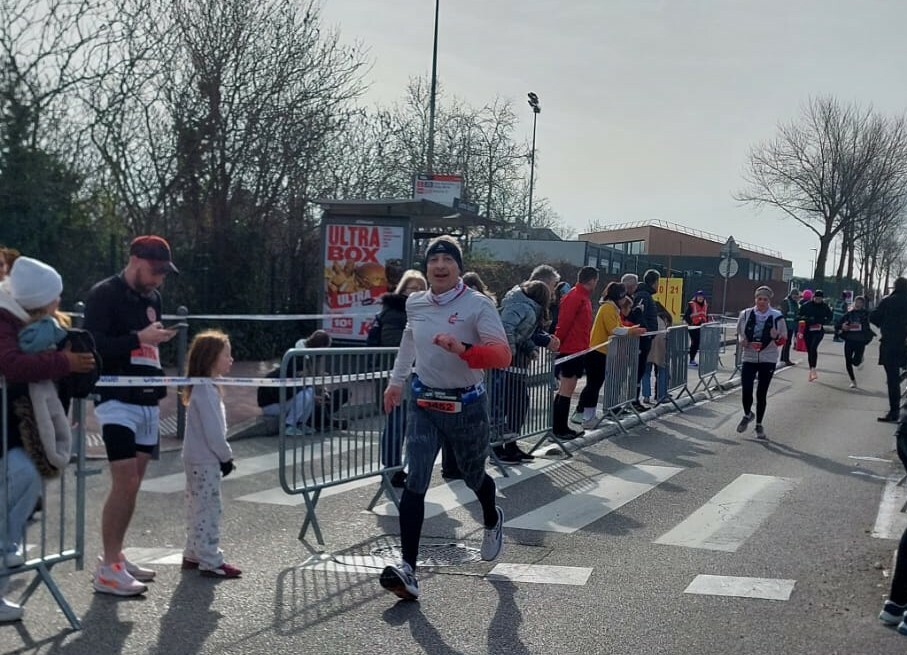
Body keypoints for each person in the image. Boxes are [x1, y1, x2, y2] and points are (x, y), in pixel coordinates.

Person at [379, 235, 511, 601]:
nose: (439, 266)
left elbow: (502, 355)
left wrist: (463, 349)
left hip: (466, 404)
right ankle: (408, 569)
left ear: (459, 268)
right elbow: (409, 341)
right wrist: (396, 382)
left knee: (472, 475)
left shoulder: (477, 305)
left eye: (447, 260)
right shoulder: (416, 302)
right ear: (426, 268)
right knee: (416, 480)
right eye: (433, 260)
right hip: (424, 401)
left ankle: (491, 517)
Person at [0, 257, 95, 621]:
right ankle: (7, 545)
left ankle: (7, 548)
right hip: (9, 426)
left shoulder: (33, 322)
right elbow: (11, 365)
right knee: (21, 476)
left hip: (18, 428)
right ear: (39, 299)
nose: (59, 302)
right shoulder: (5, 319)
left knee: (27, 475)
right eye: (54, 295)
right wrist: (65, 363)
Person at [83, 235, 179, 596]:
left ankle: (116, 556)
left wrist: (155, 344)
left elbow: (146, 341)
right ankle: (108, 569)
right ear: (135, 260)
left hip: (147, 397)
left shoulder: (154, 298)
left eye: (164, 273)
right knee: (124, 480)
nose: (159, 279)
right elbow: (94, 345)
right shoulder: (104, 294)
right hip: (116, 398)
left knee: (134, 482)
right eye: (155, 271)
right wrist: (138, 338)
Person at [180, 330, 241, 578]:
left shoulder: (202, 387)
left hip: (195, 457)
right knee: (209, 509)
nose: (231, 359)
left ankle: (193, 553)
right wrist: (226, 457)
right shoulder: (206, 390)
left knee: (196, 507)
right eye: (227, 355)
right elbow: (213, 431)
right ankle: (210, 559)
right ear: (212, 358)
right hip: (206, 459)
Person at [494, 279, 559, 464]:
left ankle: (511, 445)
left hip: (515, 366)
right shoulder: (523, 307)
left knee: (518, 405)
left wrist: (530, 348)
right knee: (508, 406)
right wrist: (510, 353)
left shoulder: (525, 307)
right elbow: (506, 329)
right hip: (508, 366)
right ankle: (498, 449)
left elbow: (521, 334)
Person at [376, 270, 427, 487]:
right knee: (396, 423)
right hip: (396, 375)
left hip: (415, 375)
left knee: (408, 424)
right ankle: (391, 468)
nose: (416, 292)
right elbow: (392, 342)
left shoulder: (423, 311)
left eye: (421, 288)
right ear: (403, 289)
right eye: (412, 288)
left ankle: (400, 467)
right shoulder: (394, 312)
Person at [575, 282, 644, 428]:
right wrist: (631, 331)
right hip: (598, 352)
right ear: (619, 296)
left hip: (601, 351)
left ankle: (587, 415)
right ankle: (587, 417)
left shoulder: (611, 308)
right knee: (593, 386)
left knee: (594, 385)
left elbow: (617, 327)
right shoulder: (608, 308)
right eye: (623, 297)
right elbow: (614, 330)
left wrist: (631, 329)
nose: (624, 300)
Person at [257, 330, 347, 435]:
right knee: (306, 395)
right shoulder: (295, 360)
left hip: (285, 400)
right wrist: (314, 396)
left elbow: (309, 384)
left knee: (310, 393)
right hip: (273, 405)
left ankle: (300, 424)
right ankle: (289, 425)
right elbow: (291, 390)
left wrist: (321, 392)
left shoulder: (307, 358)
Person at [735, 286, 787, 439]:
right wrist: (742, 340)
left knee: (761, 393)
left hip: (768, 358)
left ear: (769, 301)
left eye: (765, 299)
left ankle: (759, 424)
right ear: (755, 299)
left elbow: (783, 339)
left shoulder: (777, 316)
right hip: (749, 356)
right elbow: (739, 333)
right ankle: (748, 414)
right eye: (759, 299)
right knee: (746, 389)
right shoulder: (745, 314)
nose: (762, 302)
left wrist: (776, 337)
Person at [553, 266, 599, 439]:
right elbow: (564, 322)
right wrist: (558, 343)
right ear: (592, 280)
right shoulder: (575, 297)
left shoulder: (581, 296)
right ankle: (559, 428)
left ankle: (560, 426)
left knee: (567, 389)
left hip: (577, 348)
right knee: (566, 389)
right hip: (570, 349)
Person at [870, 277, 907, 422]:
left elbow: (873, 317)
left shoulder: (888, 301)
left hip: (890, 343)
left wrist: (885, 325)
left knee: (892, 380)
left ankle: (894, 412)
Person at [629, 270, 660, 410]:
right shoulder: (643, 295)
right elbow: (638, 313)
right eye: (658, 282)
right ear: (654, 282)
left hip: (646, 338)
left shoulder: (646, 295)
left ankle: (635, 400)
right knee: (638, 369)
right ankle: (633, 400)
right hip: (642, 339)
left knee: (640, 370)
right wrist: (646, 331)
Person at [835, 296, 874, 389]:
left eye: (860, 303)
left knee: (856, 362)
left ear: (863, 304)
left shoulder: (866, 314)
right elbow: (837, 325)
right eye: (857, 302)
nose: (858, 304)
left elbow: (874, 322)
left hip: (860, 340)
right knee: (848, 360)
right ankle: (853, 381)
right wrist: (842, 326)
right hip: (849, 339)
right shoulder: (849, 314)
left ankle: (860, 358)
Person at [797, 289, 833, 382]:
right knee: (810, 350)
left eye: (820, 298)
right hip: (808, 330)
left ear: (822, 299)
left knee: (813, 347)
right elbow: (798, 316)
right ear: (813, 297)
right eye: (816, 298)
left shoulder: (825, 307)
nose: (818, 300)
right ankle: (812, 370)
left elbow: (830, 317)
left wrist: (823, 321)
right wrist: (807, 319)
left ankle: (813, 369)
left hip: (818, 331)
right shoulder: (806, 305)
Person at [642, 303, 673, 405]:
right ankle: (661, 395)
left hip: (648, 345)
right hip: (661, 347)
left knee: (646, 372)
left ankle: (646, 396)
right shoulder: (665, 318)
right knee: (662, 371)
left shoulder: (646, 317)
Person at [683, 290, 708, 367]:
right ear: (696, 297)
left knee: (697, 343)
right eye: (699, 296)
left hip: (702, 326)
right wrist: (691, 323)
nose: (700, 298)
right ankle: (691, 359)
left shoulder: (705, 304)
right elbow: (686, 316)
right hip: (693, 327)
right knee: (695, 342)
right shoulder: (692, 305)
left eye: (702, 296)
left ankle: (693, 359)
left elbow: (705, 315)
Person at [780, 288, 801, 366]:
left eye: (797, 296)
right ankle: (785, 359)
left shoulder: (795, 303)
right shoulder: (786, 302)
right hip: (786, 325)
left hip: (792, 326)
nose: (795, 297)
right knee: (787, 343)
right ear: (791, 295)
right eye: (794, 295)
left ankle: (783, 358)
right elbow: (783, 314)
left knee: (787, 343)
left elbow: (796, 314)